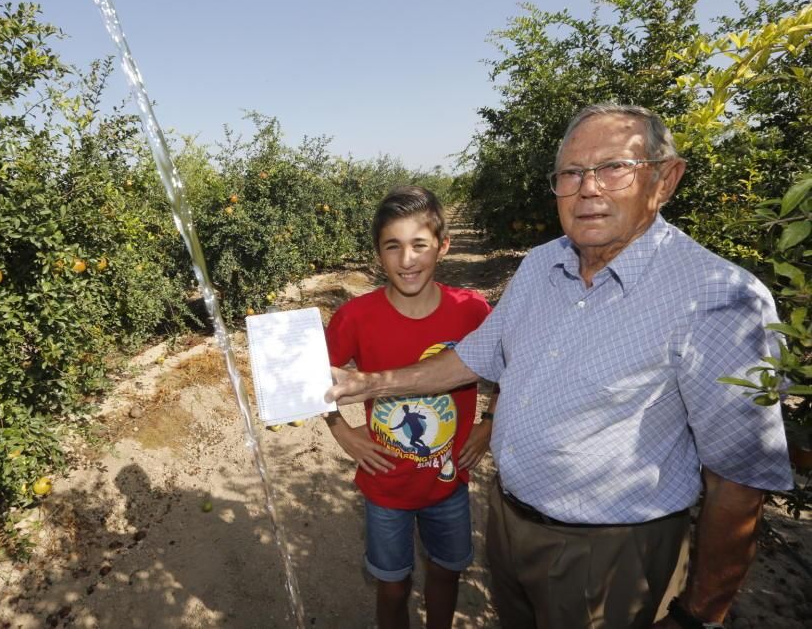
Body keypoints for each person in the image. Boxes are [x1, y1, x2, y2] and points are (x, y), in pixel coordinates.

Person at [326, 104, 793, 629]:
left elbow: (739, 477)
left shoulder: (719, 299)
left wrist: (700, 615)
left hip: (610, 554)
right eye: (571, 173)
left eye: (614, 167)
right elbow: (470, 359)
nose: (588, 188)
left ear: (664, 180)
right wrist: (366, 384)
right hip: (510, 527)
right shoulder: (540, 265)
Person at [324, 185, 493, 629]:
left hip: (449, 480)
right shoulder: (356, 317)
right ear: (378, 254)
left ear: (443, 245)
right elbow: (309, 380)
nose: (407, 260)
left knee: (445, 570)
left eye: (419, 244)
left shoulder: (471, 311)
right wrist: (341, 430)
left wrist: (489, 423)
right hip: (386, 485)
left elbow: (511, 366)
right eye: (392, 246)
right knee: (392, 586)